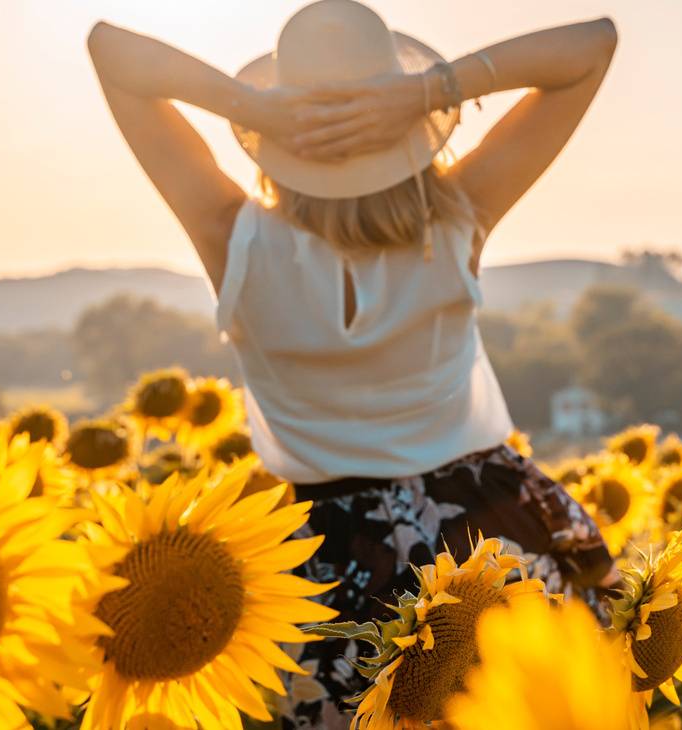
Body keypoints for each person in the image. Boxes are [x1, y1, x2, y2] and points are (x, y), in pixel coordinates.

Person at [87, 1, 619, 724]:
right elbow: (593, 46)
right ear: (409, 134)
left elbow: (110, 51)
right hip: (488, 530)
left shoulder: (230, 237)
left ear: (272, 144)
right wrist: (429, 91)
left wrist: (252, 108)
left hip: (325, 561)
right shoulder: (459, 215)